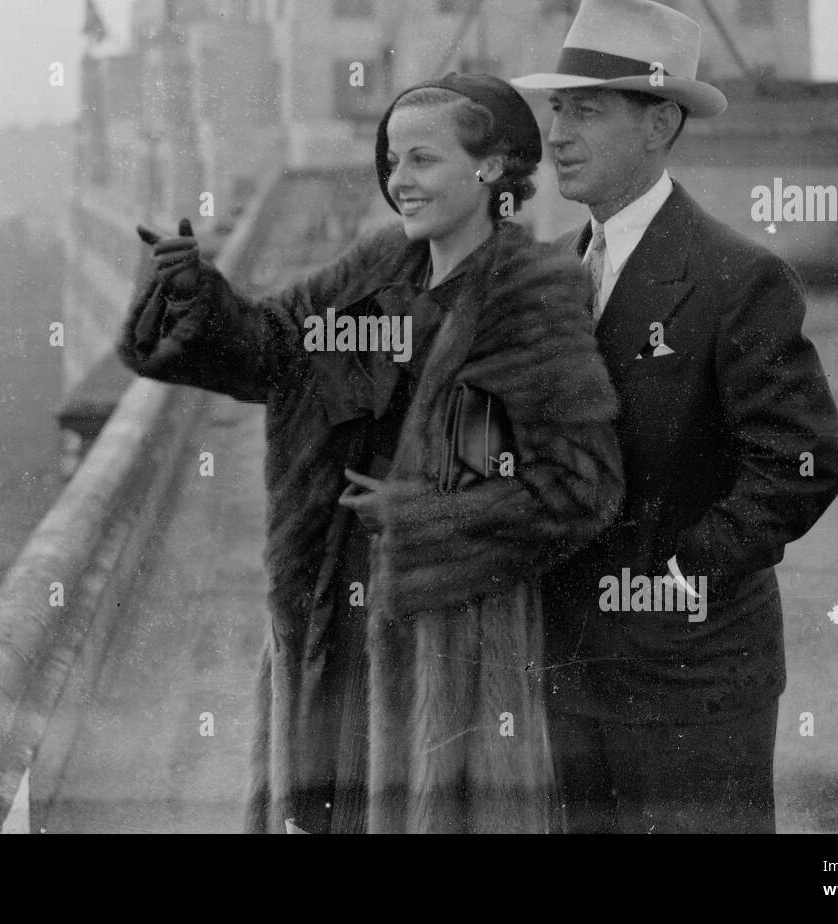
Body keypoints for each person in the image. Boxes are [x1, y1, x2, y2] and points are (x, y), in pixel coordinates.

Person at [117, 73, 623, 834]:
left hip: (449, 638)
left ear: (490, 170)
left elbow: (582, 489)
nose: (400, 180)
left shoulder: (534, 295)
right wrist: (196, 293)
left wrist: (425, 515)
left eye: (422, 160)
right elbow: (272, 347)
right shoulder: (374, 269)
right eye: (392, 161)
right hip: (332, 600)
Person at [512, 0, 838, 833]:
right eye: (557, 109)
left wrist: (674, 576)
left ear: (659, 123)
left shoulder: (740, 278)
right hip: (566, 672)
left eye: (585, 111)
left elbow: (801, 468)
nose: (557, 135)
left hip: (690, 685)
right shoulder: (554, 273)